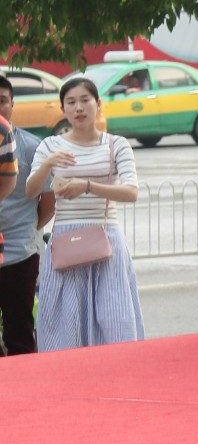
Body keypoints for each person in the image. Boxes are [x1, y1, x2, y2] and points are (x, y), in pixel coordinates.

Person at [25, 75, 144, 350]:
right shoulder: (49, 146)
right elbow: (31, 191)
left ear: (98, 104)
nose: (78, 108)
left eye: (84, 100)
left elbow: (131, 192)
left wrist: (88, 186)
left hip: (107, 238)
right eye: (71, 102)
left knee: (114, 321)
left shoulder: (116, 144)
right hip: (66, 239)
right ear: (62, 109)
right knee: (65, 326)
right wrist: (48, 165)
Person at [0, 74, 55, 354]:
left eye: (2, 101)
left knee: (19, 333)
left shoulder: (32, 147)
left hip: (19, 254)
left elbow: (49, 200)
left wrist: (30, 229)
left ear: (13, 104)